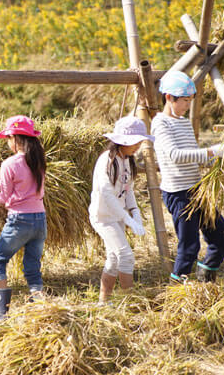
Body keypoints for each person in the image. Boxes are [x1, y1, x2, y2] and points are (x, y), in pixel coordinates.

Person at [151, 71, 224, 283]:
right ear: (169, 97)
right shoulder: (161, 123)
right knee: (189, 246)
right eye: (185, 101)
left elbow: (193, 156)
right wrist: (212, 152)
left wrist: (219, 158)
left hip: (197, 189)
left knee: (222, 236)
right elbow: (175, 155)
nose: (188, 105)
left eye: (190, 100)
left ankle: (205, 278)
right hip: (178, 193)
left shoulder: (184, 123)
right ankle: (177, 289)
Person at [0, 115, 47, 321]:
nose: (8, 142)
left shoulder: (9, 163)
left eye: (8, 138)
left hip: (20, 221)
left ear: (16, 139)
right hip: (40, 219)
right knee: (32, 266)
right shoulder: (38, 160)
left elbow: (4, 197)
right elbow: (21, 184)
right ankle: (40, 307)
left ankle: (0, 313)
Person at [88, 116, 153, 304]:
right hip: (103, 217)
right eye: (135, 142)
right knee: (126, 256)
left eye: (140, 141)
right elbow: (107, 193)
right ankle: (130, 302)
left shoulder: (127, 160)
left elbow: (128, 189)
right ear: (122, 141)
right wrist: (127, 218)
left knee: (114, 259)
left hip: (117, 216)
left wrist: (135, 212)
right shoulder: (106, 161)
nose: (138, 146)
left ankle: (104, 302)